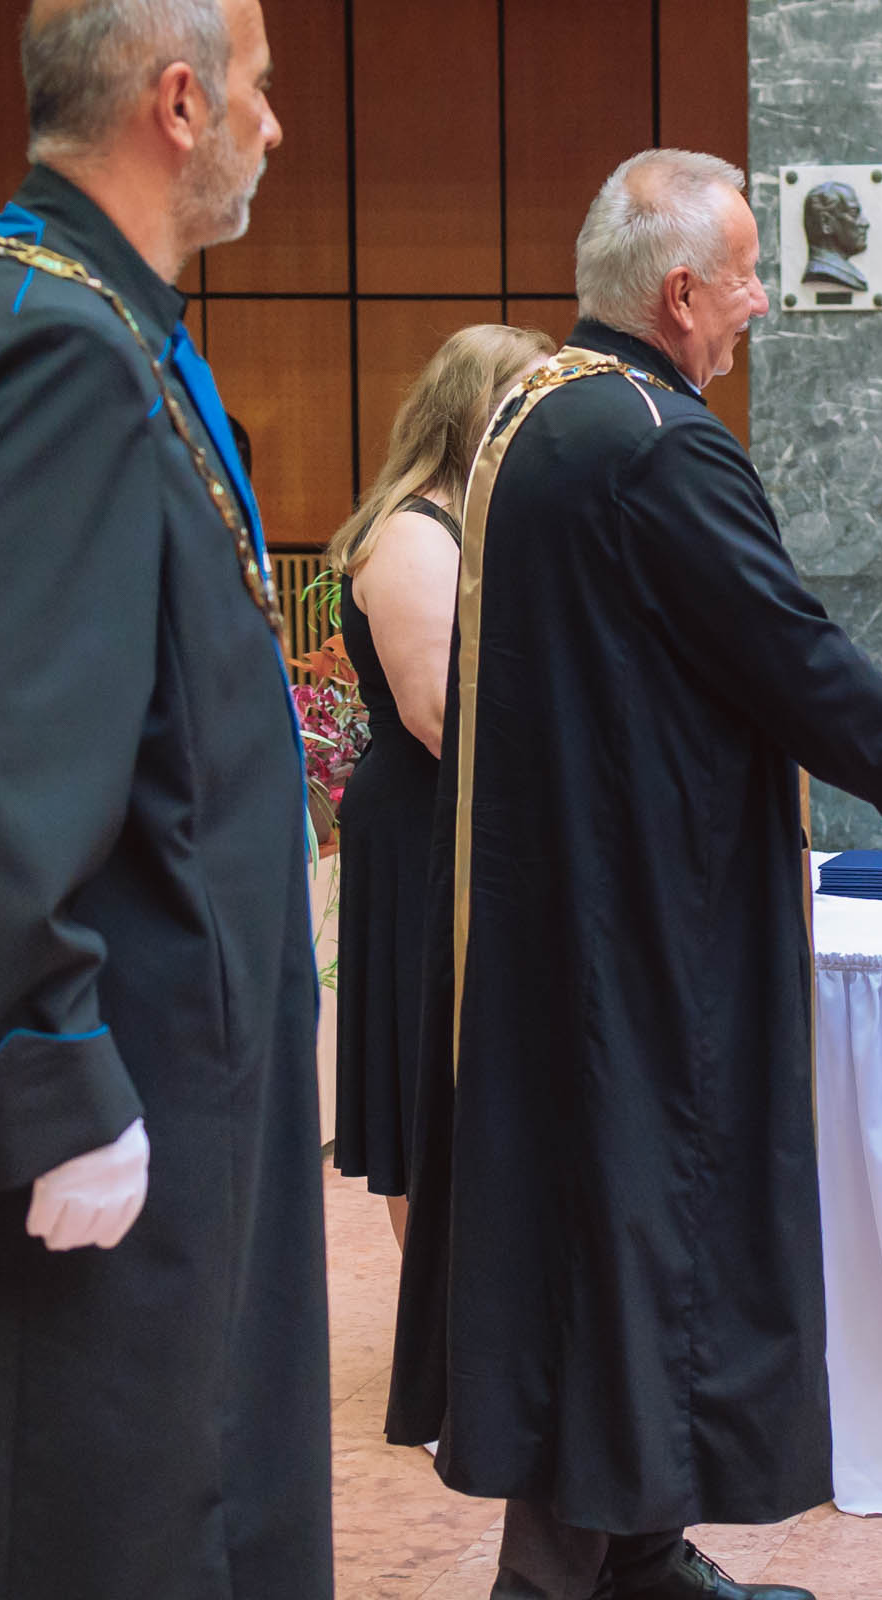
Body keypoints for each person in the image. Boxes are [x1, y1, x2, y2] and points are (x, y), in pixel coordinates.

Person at [385, 148, 882, 1600]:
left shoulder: (536, 412)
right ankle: (566, 1577)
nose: (759, 303)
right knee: (642, 1216)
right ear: (680, 293)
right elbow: (785, 647)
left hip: (569, 894)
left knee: (607, 1215)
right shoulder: (657, 443)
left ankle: (636, 1551)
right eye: (744, 276)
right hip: (649, 913)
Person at [0, 2, 329, 1596]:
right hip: (113, 1101)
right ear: (178, 103)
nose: (274, 125)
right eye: (258, 89)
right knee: (98, 1520)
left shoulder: (55, 311)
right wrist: (48, 1082)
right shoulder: (54, 349)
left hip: (160, 1062)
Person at [325, 322, 554, 1248]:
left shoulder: (479, 518)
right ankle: (439, 1315)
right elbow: (437, 717)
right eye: (526, 402)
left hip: (466, 818)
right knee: (430, 1080)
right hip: (427, 826)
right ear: (473, 412)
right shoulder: (415, 533)